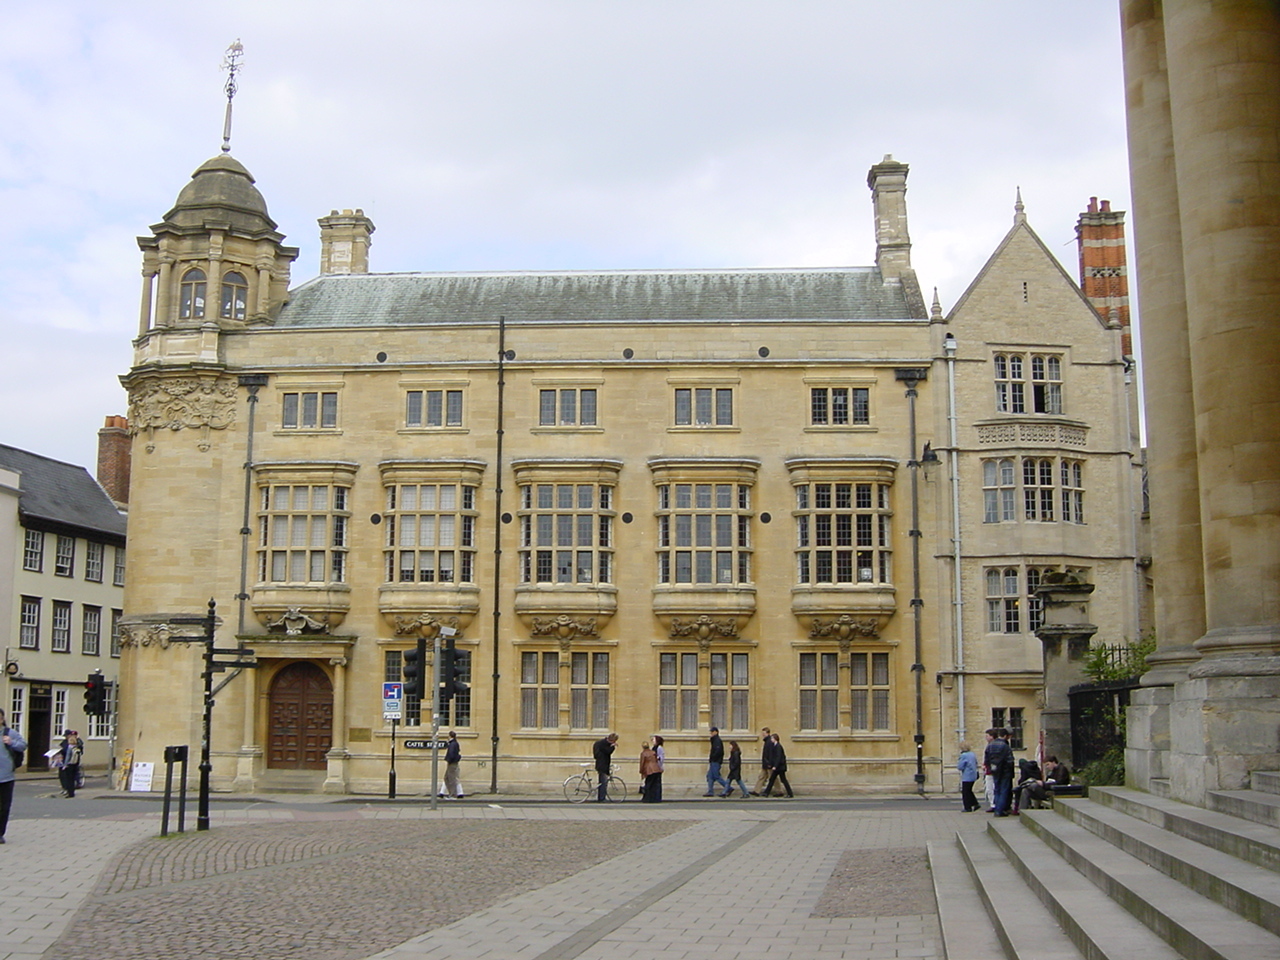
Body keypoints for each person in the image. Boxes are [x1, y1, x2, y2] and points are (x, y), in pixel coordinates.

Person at [0, 709, 27, 843]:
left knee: (4, 807)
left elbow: (23, 745)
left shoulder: (10, 733)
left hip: (6, 776)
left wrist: (11, 743)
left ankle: (0, 833)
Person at [984, 727, 1014, 816]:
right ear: (1005, 736)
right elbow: (1010, 760)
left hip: (995, 770)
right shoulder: (1005, 746)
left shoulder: (990, 745)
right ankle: (1000, 810)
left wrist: (991, 767)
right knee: (1004, 790)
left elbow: (987, 759)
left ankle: (996, 807)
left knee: (996, 789)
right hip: (1005, 771)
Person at [763, 733, 794, 798]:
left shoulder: (778, 746)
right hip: (778, 767)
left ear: (775, 739)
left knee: (783, 780)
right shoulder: (775, 746)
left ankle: (790, 793)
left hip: (780, 767)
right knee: (772, 779)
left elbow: (778, 757)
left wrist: (775, 766)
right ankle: (766, 793)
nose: (771, 739)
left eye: (772, 738)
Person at [55, 730, 83, 799]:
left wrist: (65, 765)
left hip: (69, 764)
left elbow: (67, 757)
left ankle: (69, 792)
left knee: (69, 779)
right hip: (75, 763)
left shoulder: (70, 748)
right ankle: (71, 792)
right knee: (72, 778)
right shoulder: (77, 746)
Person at [704, 727, 730, 797]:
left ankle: (728, 788)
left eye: (712, 732)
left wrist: (713, 758)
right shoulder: (714, 740)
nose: (711, 733)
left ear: (716, 732)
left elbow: (718, 751)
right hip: (714, 761)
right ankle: (710, 791)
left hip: (715, 761)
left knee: (716, 776)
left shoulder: (717, 740)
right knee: (710, 776)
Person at [592, 732, 618, 802]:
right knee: (603, 782)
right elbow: (608, 751)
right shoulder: (604, 744)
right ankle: (602, 798)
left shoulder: (599, 743)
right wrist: (613, 746)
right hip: (603, 765)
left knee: (602, 782)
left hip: (600, 764)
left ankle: (601, 797)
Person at [439, 731, 464, 799]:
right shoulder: (454, 743)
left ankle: (453, 795)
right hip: (453, 763)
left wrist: (449, 760)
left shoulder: (452, 744)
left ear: (450, 736)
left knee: (451, 779)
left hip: (452, 763)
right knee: (447, 778)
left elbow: (452, 754)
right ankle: (444, 793)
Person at [957, 741, 980, 812]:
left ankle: (967, 807)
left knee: (965, 792)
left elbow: (960, 766)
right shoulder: (972, 754)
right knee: (969, 790)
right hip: (974, 774)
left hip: (967, 775)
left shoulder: (964, 755)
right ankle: (975, 804)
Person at [751, 727, 775, 796]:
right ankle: (756, 791)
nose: (762, 734)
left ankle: (779, 791)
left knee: (773, 778)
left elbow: (770, 754)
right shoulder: (767, 741)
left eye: (764, 733)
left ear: (767, 733)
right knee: (761, 777)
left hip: (768, 763)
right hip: (765, 763)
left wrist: (769, 763)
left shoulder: (769, 742)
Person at [639, 738, 662, 803]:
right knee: (655, 785)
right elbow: (656, 760)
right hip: (656, 769)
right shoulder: (653, 752)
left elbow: (642, 763)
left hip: (649, 770)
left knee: (648, 784)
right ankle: (655, 798)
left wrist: (641, 771)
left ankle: (647, 798)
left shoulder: (643, 753)